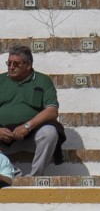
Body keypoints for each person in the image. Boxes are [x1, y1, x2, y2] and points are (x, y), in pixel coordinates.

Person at [0, 45, 64, 177]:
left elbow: (52, 111)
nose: (11, 67)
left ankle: (34, 177)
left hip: (32, 132)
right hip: (3, 134)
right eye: (9, 63)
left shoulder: (43, 80)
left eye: (16, 64)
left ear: (28, 65)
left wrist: (27, 126)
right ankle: (14, 175)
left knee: (50, 132)